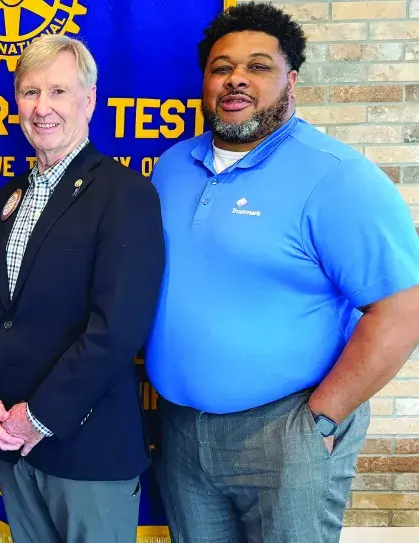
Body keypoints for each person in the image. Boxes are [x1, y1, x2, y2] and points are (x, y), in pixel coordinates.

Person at [145, 3, 419, 542]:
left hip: (286, 431)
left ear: (291, 81)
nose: (236, 79)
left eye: (258, 66)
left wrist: (322, 419)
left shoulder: (337, 177)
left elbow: (402, 310)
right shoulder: (172, 167)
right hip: (180, 429)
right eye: (222, 68)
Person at [0, 35, 165, 543]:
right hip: (14, 446)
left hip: (87, 450)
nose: (42, 107)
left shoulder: (125, 194)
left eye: (58, 91)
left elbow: (117, 329)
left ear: (89, 100)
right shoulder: (9, 196)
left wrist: (38, 417)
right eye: (30, 92)